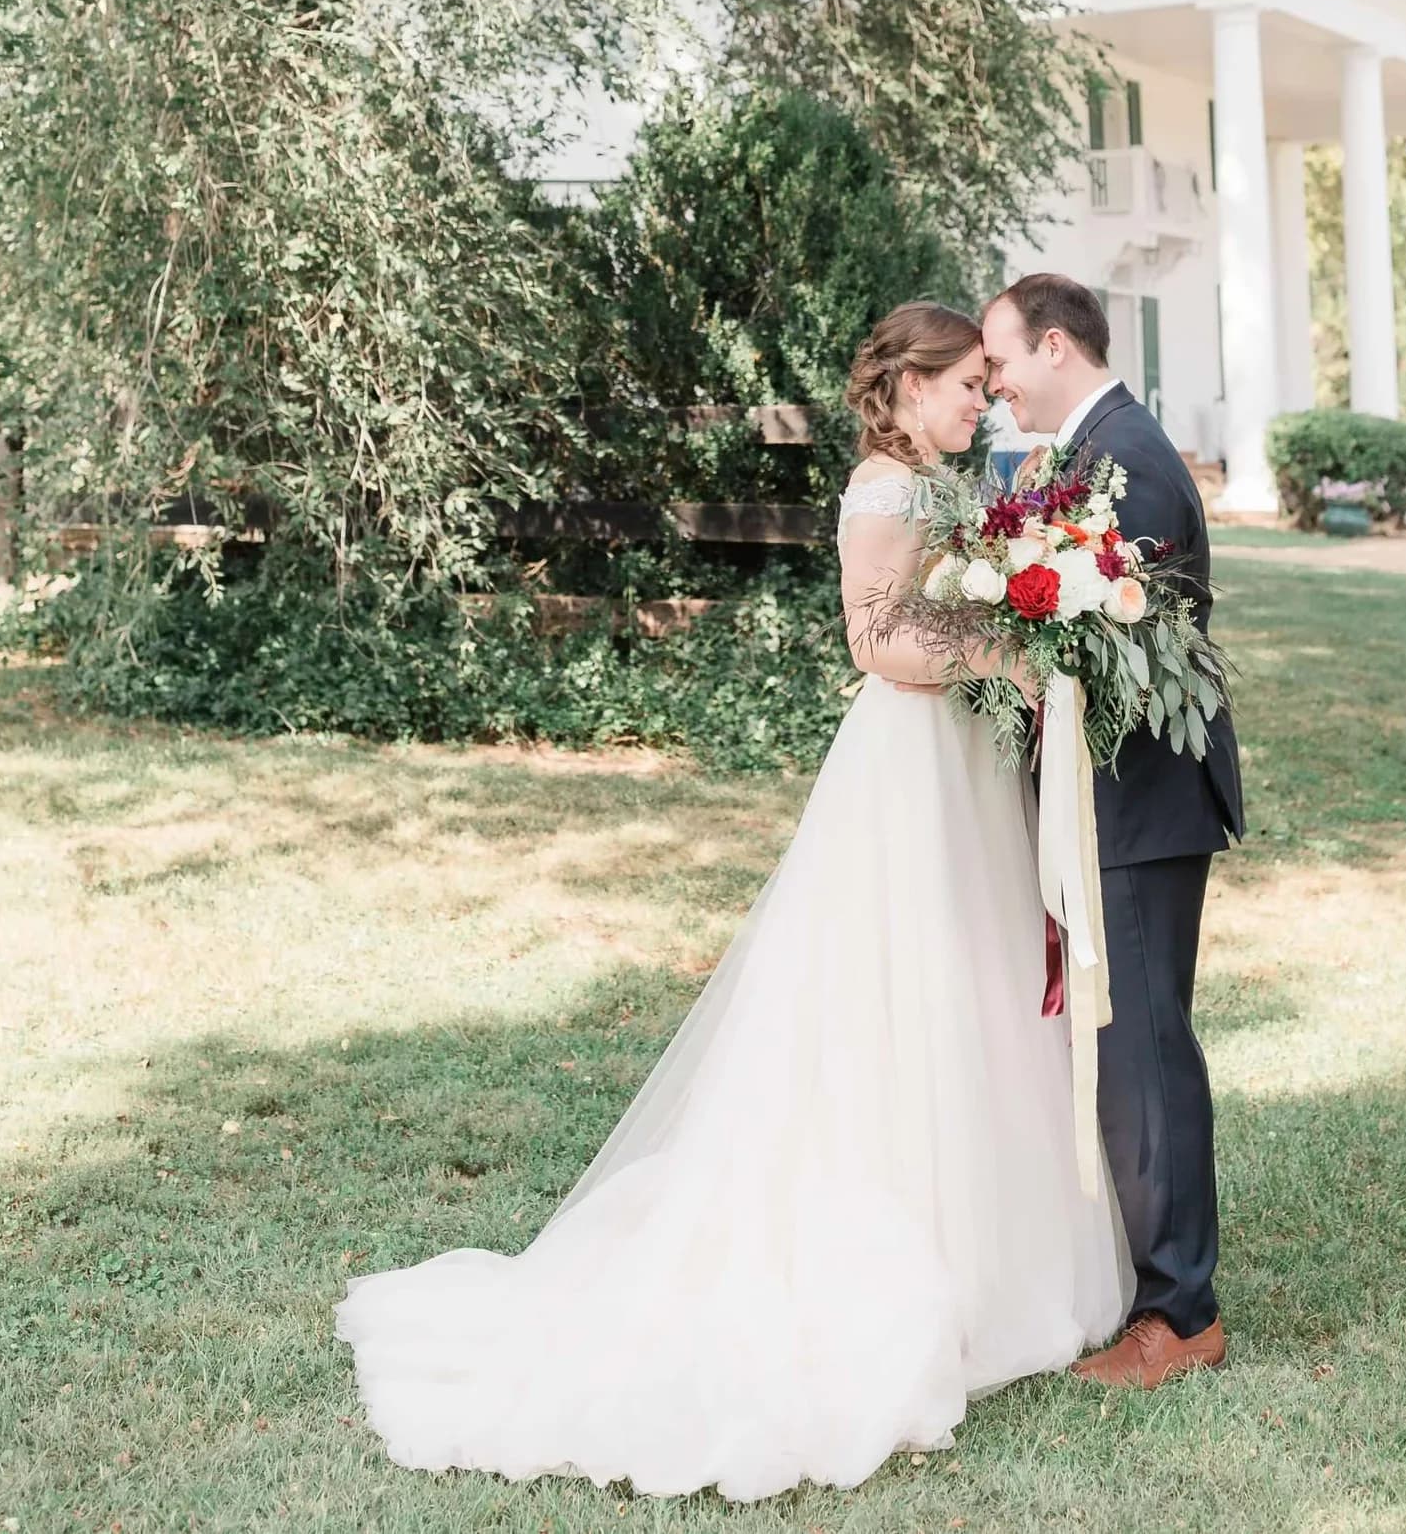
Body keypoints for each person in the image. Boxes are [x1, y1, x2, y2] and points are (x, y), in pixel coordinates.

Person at [336, 301, 1129, 1501]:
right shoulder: (884, 487)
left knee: (970, 975)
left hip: (955, 762)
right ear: (907, 386)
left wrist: (1007, 615)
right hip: (906, 765)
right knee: (901, 980)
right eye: (965, 381)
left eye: (983, 380)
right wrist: (1006, 642)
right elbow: (876, 639)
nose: (980, 398)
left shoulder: (937, 482)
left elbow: (935, 610)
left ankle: (999, 1251)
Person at [978, 270, 1244, 1390]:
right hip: (1111, 798)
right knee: (1125, 1044)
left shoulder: (1122, 460)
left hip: (1135, 798)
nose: (992, 386)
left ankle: (1179, 1313)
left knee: (1142, 1052)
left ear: (1051, 346)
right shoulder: (1092, 449)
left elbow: (1111, 637)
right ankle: (1155, 1286)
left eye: (996, 362)